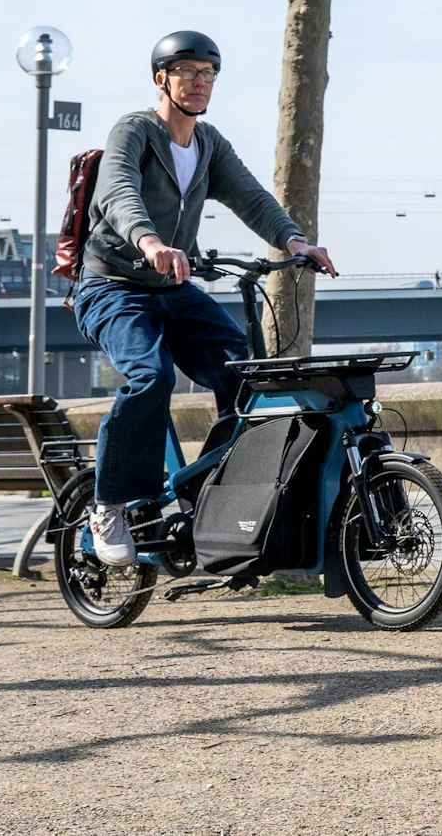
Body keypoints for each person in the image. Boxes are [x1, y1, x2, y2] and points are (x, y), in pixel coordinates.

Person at [71, 30, 338, 566]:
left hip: (172, 288)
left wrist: (295, 241)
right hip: (111, 286)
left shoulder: (208, 143)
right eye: (187, 71)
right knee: (151, 376)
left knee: (245, 375)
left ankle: (212, 490)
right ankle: (109, 504)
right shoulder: (135, 131)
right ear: (161, 79)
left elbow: (251, 197)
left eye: (208, 73)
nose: (199, 81)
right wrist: (149, 242)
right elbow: (117, 193)